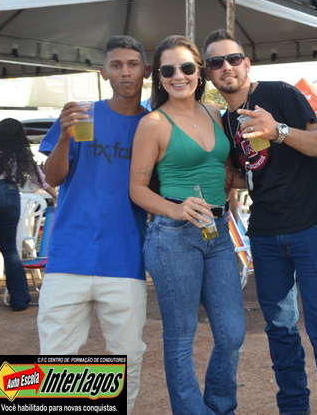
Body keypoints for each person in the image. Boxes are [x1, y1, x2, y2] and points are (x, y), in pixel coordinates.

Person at [202, 29, 317, 415]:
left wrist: (279, 131)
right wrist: (221, 177)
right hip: (265, 234)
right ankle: (293, 409)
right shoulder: (225, 121)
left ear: (247, 64)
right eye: (216, 62)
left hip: (309, 226)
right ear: (208, 73)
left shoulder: (280, 93)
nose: (226, 67)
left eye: (233, 59)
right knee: (281, 332)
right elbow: (248, 175)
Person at [129, 35, 245, 414]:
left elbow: (225, 171)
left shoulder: (214, 113)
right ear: (159, 78)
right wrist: (176, 210)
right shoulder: (153, 123)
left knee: (232, 334)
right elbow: (137, 189)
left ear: (199, 72)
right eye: (168, 70)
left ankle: (219, 407)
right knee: (181, 338)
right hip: (173, 236)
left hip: (218, 232)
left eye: (186, 67)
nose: (178, 76)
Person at [38, 35, 151, 414]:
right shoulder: (81, 116)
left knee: (126, 358)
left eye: (132, 64)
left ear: (146, 71)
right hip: (69, 256)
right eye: (116, 65)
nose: (125, 72)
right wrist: (64, 137)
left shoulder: (154, 124)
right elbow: (53, 177)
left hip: (125, 259)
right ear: (103, 72)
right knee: (56, 361)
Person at [0, 118, 53, 310]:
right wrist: (55, 196)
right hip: (9, 193)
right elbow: (38, 178)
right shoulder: (18, 150)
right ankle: (19, 300)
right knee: (10, 250)